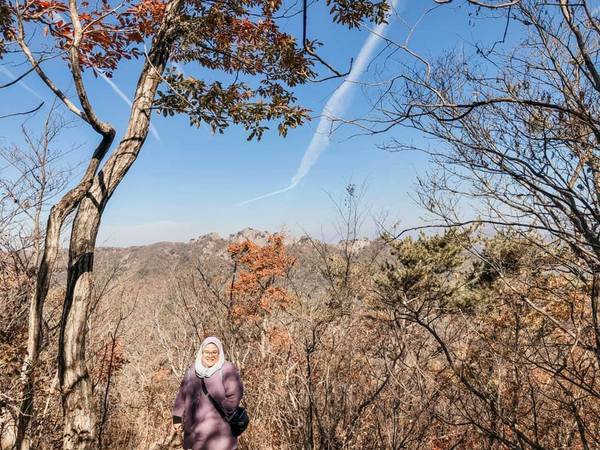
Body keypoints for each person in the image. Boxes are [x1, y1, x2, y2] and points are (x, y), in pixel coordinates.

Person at [172, 336, 244, 450]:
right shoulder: (193, 369)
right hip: (194, 430)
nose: (210, 355)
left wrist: (225, 411)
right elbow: (182, 394)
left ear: (219, 353)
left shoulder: (226, 369)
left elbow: (235, 394)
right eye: (207, 352)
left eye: (214, 352)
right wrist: (177, 417)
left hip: (220, 433)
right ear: (202, 352)